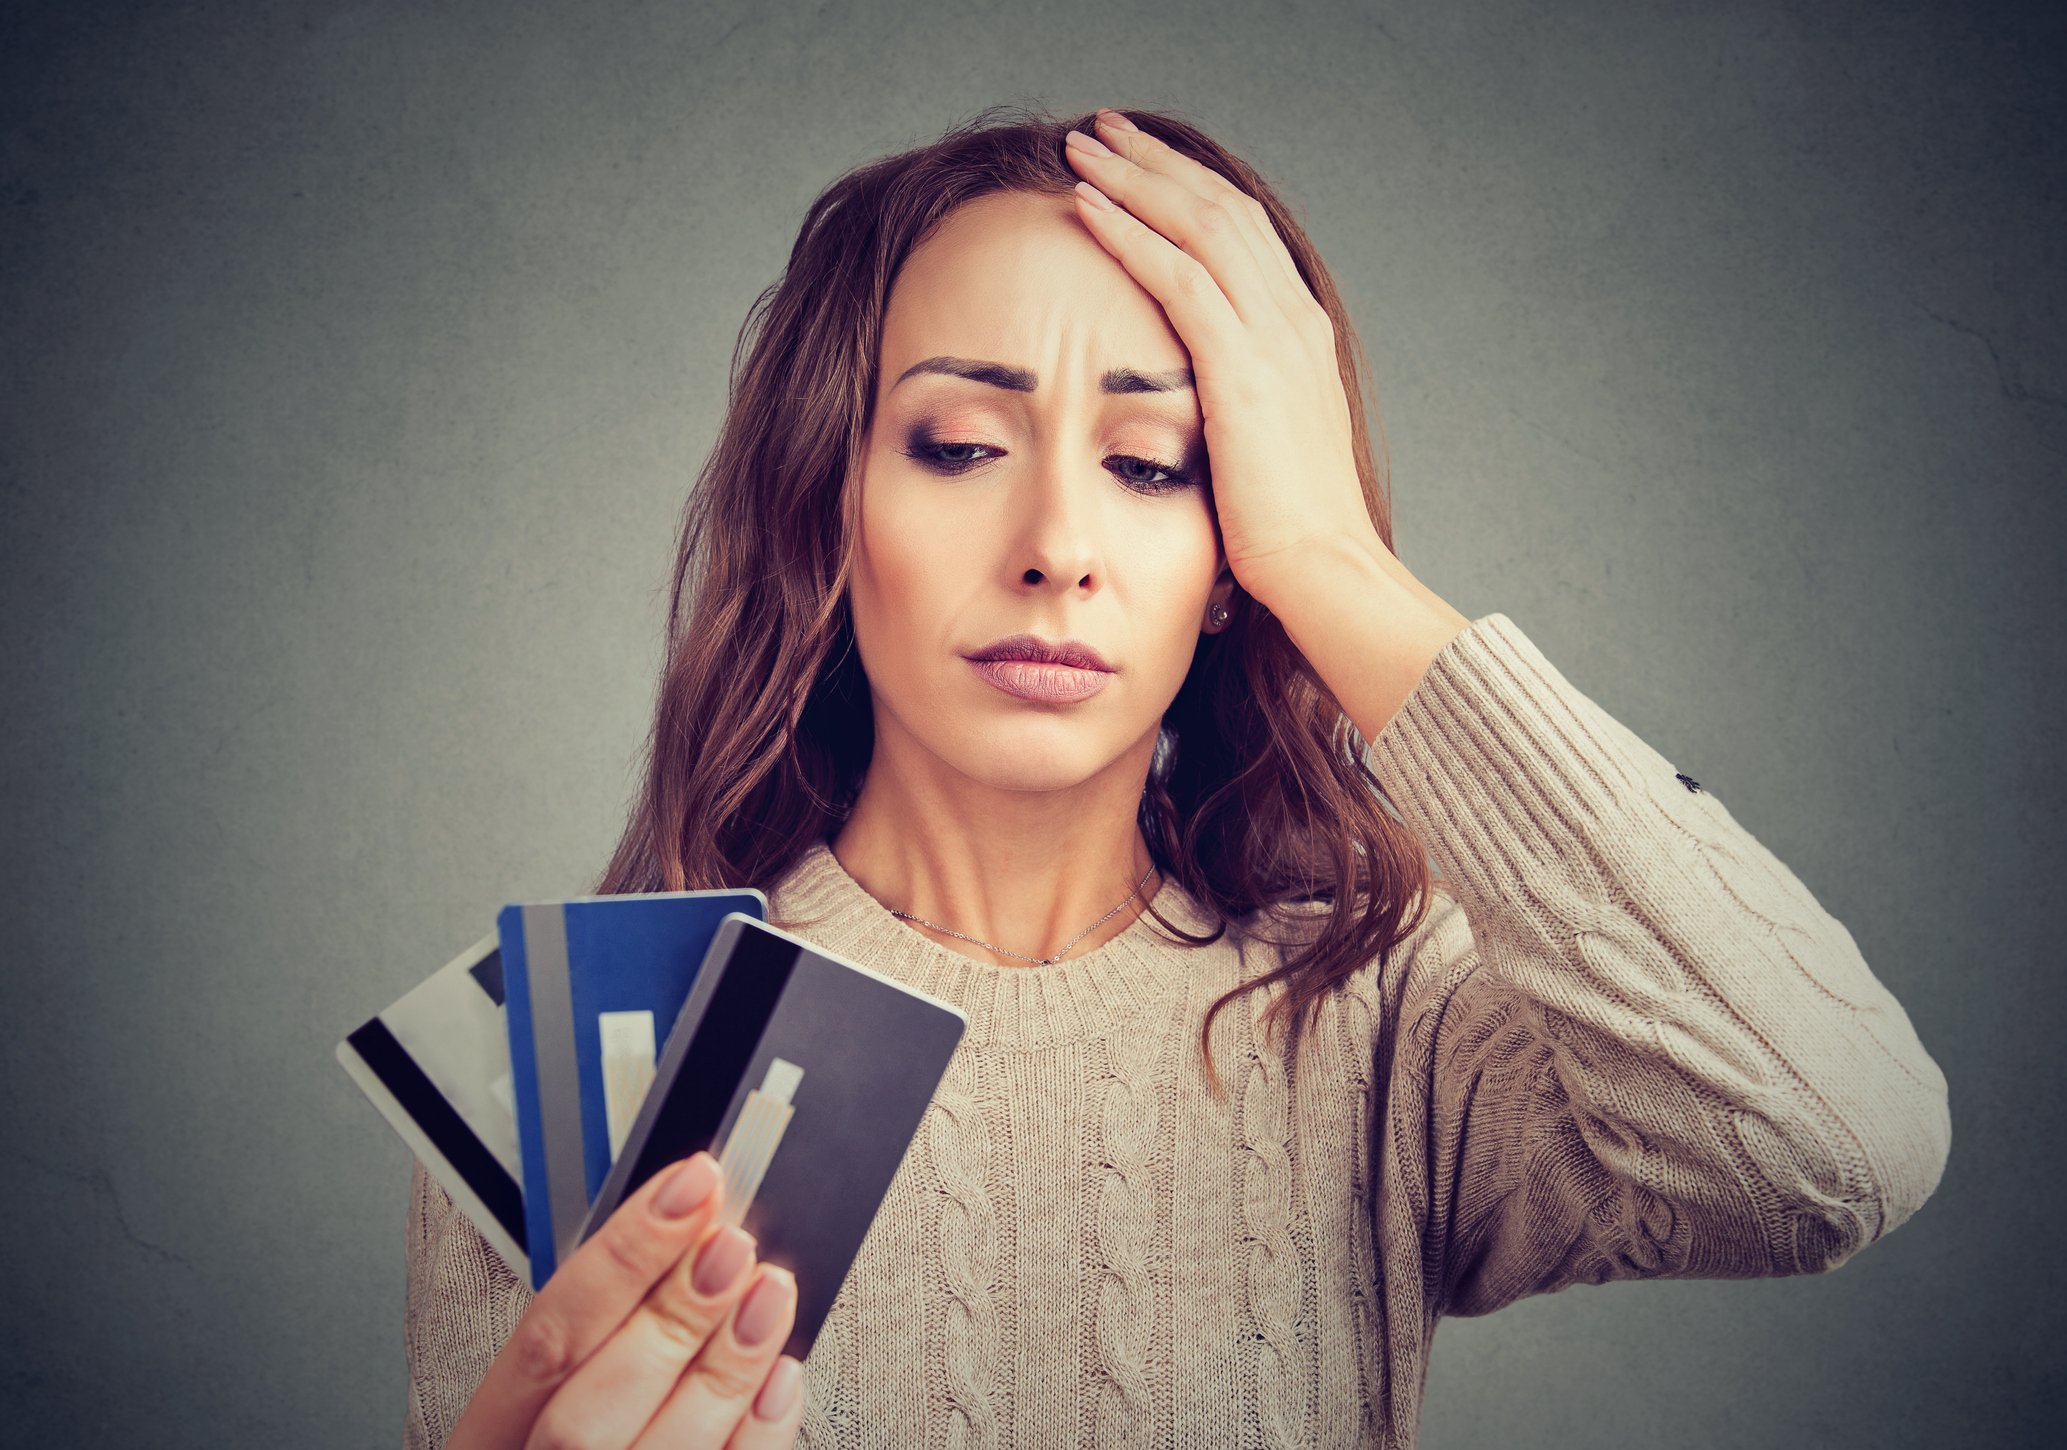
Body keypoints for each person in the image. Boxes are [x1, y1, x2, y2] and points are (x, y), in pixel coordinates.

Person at [401, 104, 1953, 1449]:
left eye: (1154, 465)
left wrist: (1333, 557)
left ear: (1230, 567)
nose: (1058, 549)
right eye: (956, 443)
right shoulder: (585, 1068)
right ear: (828, 504)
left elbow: (1836, 1148)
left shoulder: (1383, 1012)